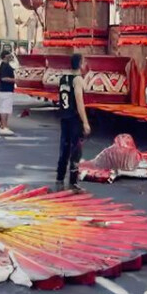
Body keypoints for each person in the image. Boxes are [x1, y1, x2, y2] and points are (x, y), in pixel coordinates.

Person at [55, 53, 91, 191]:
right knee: (76, 150)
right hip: (74, 118)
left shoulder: (64, 78)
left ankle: (59, 177)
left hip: (64, 116)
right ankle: (73, 182)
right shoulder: (78, 80)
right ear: (81, 63)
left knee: (64, 148)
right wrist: (85, 122)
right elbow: (79, 101)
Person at [0, 51, 16, 136]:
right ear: (5, 57)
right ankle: (4, 126)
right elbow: (3, 78)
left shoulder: (4, 65)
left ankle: (2, 125)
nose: (11, 57)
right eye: (9, 55)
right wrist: (14, 80)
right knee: (5, 109)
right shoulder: (5, 66)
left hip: (4, 90)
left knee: (3, 108)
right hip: (6, 90)